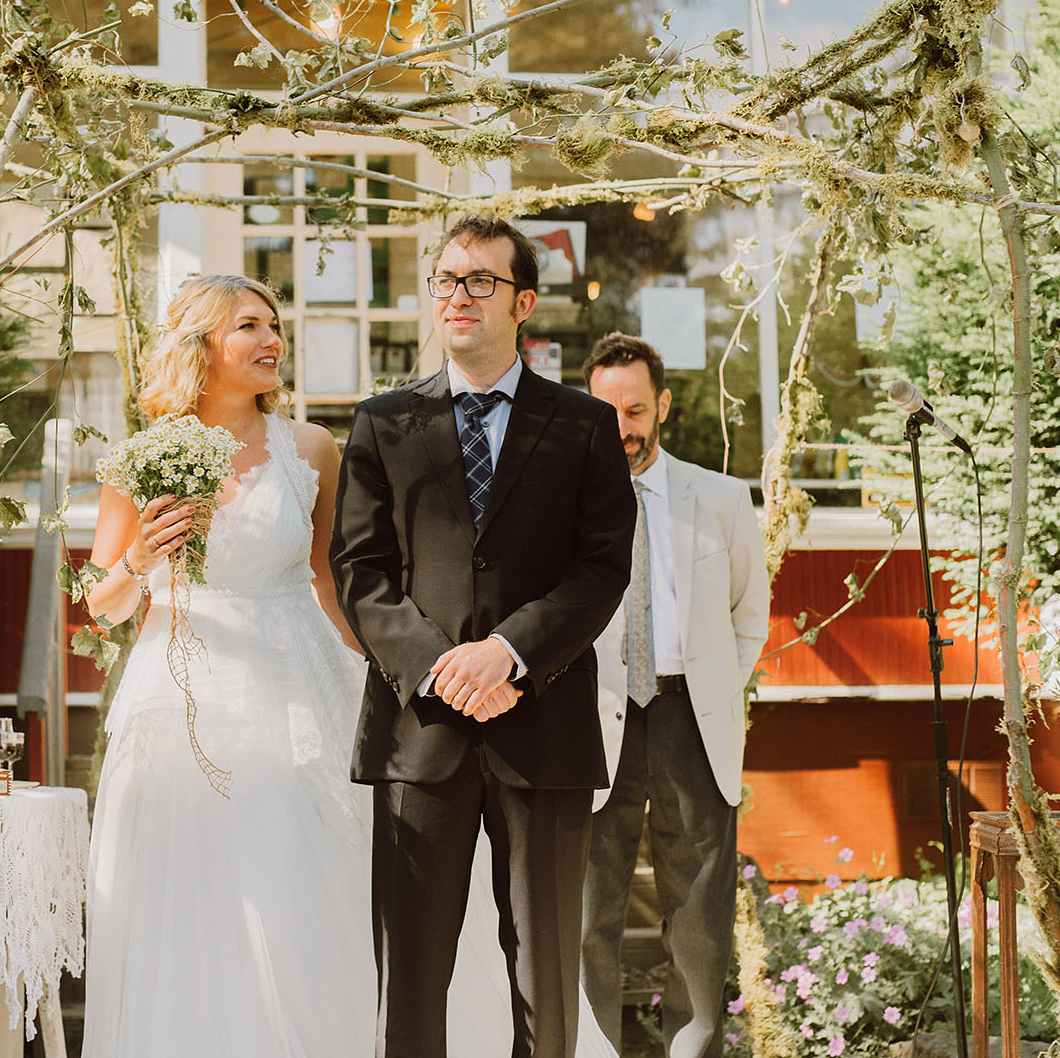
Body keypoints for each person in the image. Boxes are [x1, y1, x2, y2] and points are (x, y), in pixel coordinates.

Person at [80, 273, 621, 1058]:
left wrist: (422, 682)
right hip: (178, 700)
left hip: (298, 686)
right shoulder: (142, 456)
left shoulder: (311, 448)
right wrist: (139, 558)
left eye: (274, 324)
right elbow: (104, 604)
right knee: (187, 898)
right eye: (248, 327)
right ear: (202, 345)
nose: (271, 341)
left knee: (314, 889)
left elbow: (343, 584)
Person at [330, 215, 637, 1058]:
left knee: (544, 983)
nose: (457, 296)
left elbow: (601, 568)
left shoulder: (584, 425)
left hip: (543, 731)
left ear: (524, 302)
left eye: (480, 282)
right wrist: (439, 666)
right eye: (445, 281)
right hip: (419, 734)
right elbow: (361, 571)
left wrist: (508, 655)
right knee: (413, 982)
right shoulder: (381, 423)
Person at [579, 332, 770, 1058]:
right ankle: (592, 1046)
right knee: (592, 898)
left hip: (691, 714)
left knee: (697, 904)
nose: (622, 427)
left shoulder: (719, 498)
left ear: (661, 405)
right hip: (597, 719)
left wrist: (713, 688)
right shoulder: (565, 502)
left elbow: (750, 616)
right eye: (606, 412)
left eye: (634, 409)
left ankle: (694, 1047)